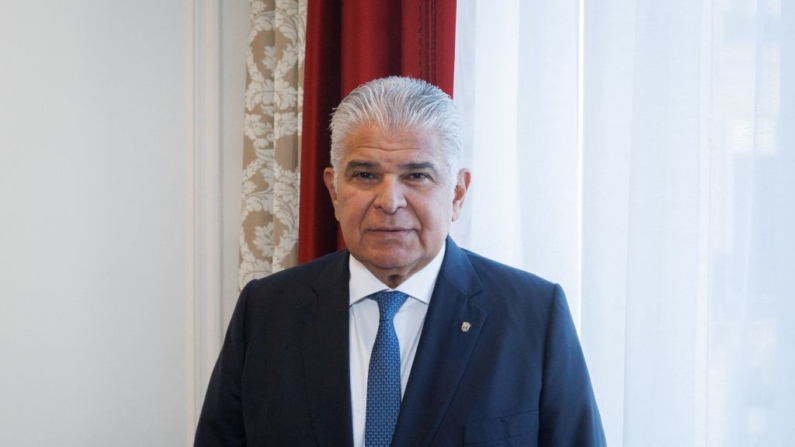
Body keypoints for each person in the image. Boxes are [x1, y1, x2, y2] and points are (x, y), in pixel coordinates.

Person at [194, 76, 606, 446]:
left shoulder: (533, 314)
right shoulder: (266, 310)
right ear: (334, 192)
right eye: (365, 175)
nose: (389, 202)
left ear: (458, 193)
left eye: (417, 176)